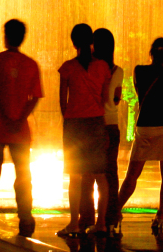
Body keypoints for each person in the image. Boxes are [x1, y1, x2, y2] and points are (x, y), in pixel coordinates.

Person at [117, 37, 163, 234]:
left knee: (132, 174)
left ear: (151, 53)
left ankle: (115, 211)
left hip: (145, 126)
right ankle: (160, 214)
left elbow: (140, 95)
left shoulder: (138, 71)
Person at [0, 19, 42, 237]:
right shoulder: (30, 64)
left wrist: (6, 116)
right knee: (23, 174)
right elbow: (35, 97)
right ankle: (26, 216)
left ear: (6, 36)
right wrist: (20, 119)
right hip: (20, 129)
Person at [57, 23, 111, 238]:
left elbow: (63, 101)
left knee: (75, 177)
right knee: (100, 176)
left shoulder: (67, 67)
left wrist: (70, 117)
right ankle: (101, 224)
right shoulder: (103, 67)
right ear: (91, 43)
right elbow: (105, 99)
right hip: (97, 123)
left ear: (73, 43)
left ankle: (74, 223)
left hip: (75, 125)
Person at [78, 27, 122, 237]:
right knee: (109, 175)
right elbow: (115, 99)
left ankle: (86, 217)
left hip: (92, 124)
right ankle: (111, 218)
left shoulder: (92, 68)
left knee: (87, 173)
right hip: (111, 126)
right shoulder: (117, 70)